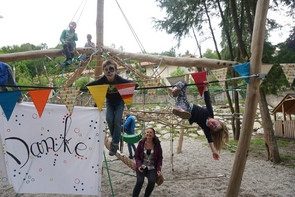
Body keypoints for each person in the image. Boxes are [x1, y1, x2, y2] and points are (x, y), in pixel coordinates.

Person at [86, 60, 137, 156]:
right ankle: (115, 141)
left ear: (116, 71)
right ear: (103, 72)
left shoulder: (119, 79)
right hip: (109, 102)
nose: (109, 72)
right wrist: (88, 86)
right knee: (109, 119)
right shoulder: (103, 80)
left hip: (119, 102)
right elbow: (93, 83)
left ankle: (114, 144)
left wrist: (135, 85)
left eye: (111, 69)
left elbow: (129, 82)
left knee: (117, 120)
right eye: (106, 70)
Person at [172, 80, 229, 160]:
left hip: (188, 112)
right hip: (187, 104)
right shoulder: (210, 113)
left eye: (213, 127)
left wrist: (213, 151)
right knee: (184, 83)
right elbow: (207, 100)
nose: (212, 125)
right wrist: (205, 87)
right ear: (217, 120)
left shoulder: (206, 128)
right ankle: (175, 90)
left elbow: (209, 140)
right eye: (215, 124)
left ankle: (181, 110)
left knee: (183, 107)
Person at [133, 128, 163, 197]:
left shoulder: (157, 144)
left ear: (153, 135)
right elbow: (136, 156)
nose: (148, 134)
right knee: (140, 181)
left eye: (150, 132)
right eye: (147, 132)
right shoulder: (141, 143)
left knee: (152, 182)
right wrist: (138, 165)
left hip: (152, 167)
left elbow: (160, 158)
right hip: (142, 166)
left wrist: (158, 169)